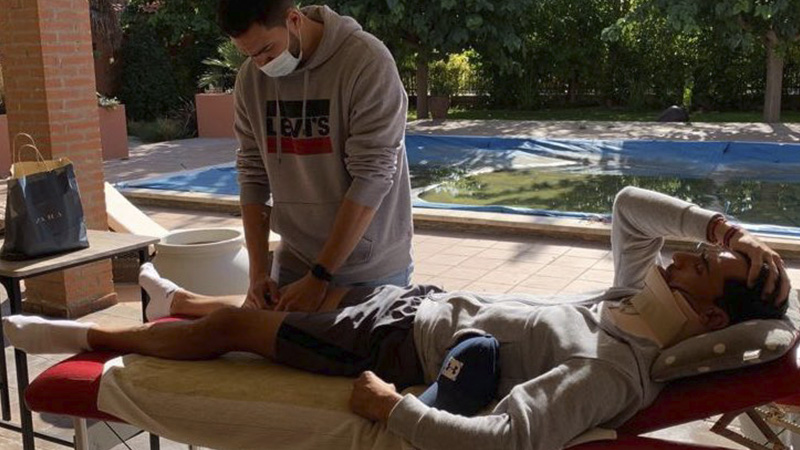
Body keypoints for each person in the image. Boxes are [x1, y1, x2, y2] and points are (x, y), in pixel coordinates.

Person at [3, 187, 793, 450]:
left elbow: (507, 442)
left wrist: (394, 410)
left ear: (707, 313)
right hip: (419, 302)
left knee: (245, 331)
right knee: (276, 304)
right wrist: (721, 229)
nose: (686, 253)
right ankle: (172, 303)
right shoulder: (631, 306)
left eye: (704, 263)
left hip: (397, 344)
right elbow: (626, 208)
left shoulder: (610, 367)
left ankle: (78, 338)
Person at [219, 0, 414, 312]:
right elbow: (252, 174)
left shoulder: (367, 62)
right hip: (294, 262)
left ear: (294, 20)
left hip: (371, 270)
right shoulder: (251, 79)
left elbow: (372, 176)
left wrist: (320, 275)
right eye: (249, 55)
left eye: (267, 49)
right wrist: (258, 273)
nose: (261, 64)